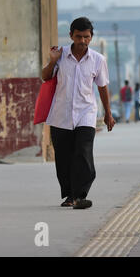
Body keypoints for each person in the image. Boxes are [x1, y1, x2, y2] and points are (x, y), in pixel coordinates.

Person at [42, 17, 115, 209]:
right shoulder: (60, 55)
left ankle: (80, 195)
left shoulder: (98, 60)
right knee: (64, 157)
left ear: (91, 37)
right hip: (61, 114)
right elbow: (45, 76)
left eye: (86, 37)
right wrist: (52, 61)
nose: (82, 41)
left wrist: (108, 113)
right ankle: (69, 196)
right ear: (71, 36)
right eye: (78, 36)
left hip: (86, 113)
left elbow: (102, 87)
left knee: (83, 152)